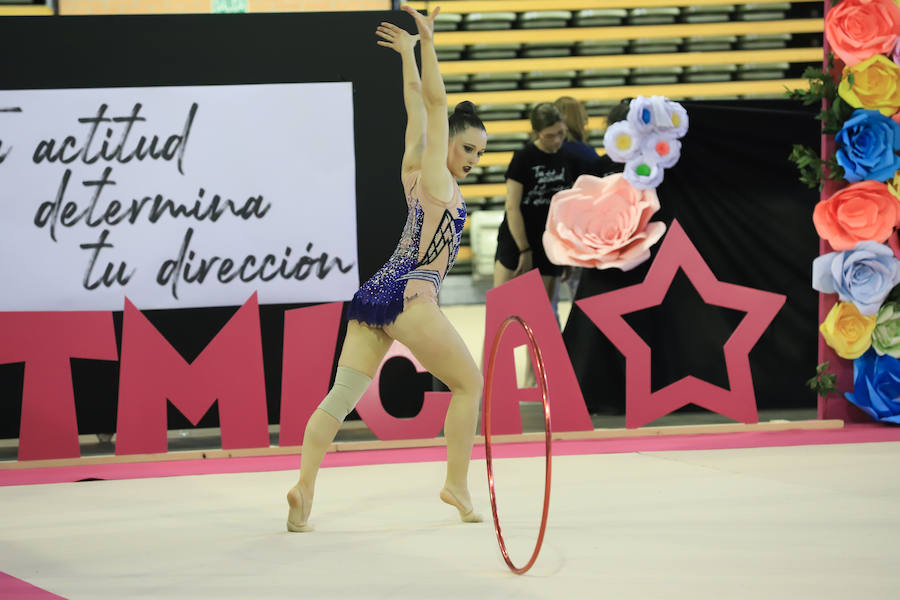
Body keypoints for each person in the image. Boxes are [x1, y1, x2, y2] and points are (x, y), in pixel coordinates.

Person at [286, 5, 488, 532]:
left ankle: (305, 486)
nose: (472, 159)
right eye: (467, 147)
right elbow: (435, 105)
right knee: (469, 385)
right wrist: (427, 44)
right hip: (413, 296)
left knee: (341, 394)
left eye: (479, 154)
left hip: (375, 291)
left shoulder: (413, 170)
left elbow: (415, 110)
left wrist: (406, 57)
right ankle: (456, 484)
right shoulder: (441, 185)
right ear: (450, 143)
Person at [492, 102, 574, 302]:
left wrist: (567, 251)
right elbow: (512, 206)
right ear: (536, 133)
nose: (556, 141)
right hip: (517, 240)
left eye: (560, 133)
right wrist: (524, 249)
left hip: (548, 243)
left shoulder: (567, 156)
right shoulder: (524, 157)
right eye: (549, 136)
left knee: (540, 313)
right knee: (505, 308)